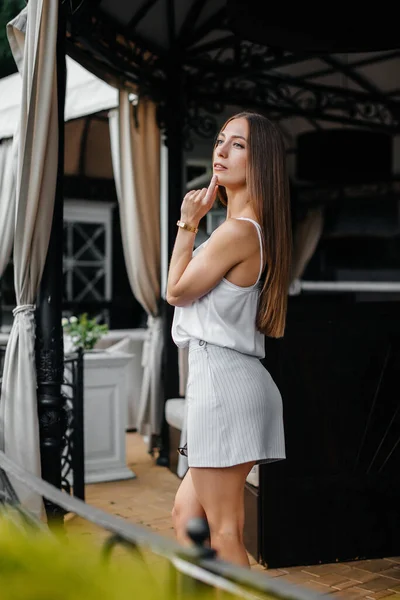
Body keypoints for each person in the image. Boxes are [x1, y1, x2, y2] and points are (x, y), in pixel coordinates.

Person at [166, 111, 292, 568]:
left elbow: (175, 291)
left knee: (223, 531)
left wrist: (187, 224)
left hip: (223, 385)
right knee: (186, 515)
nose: (221, 150)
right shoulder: (247, 229)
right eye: (220, 140)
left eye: (237, 144)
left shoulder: (237, 231)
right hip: (222, 379)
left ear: (260, 161)